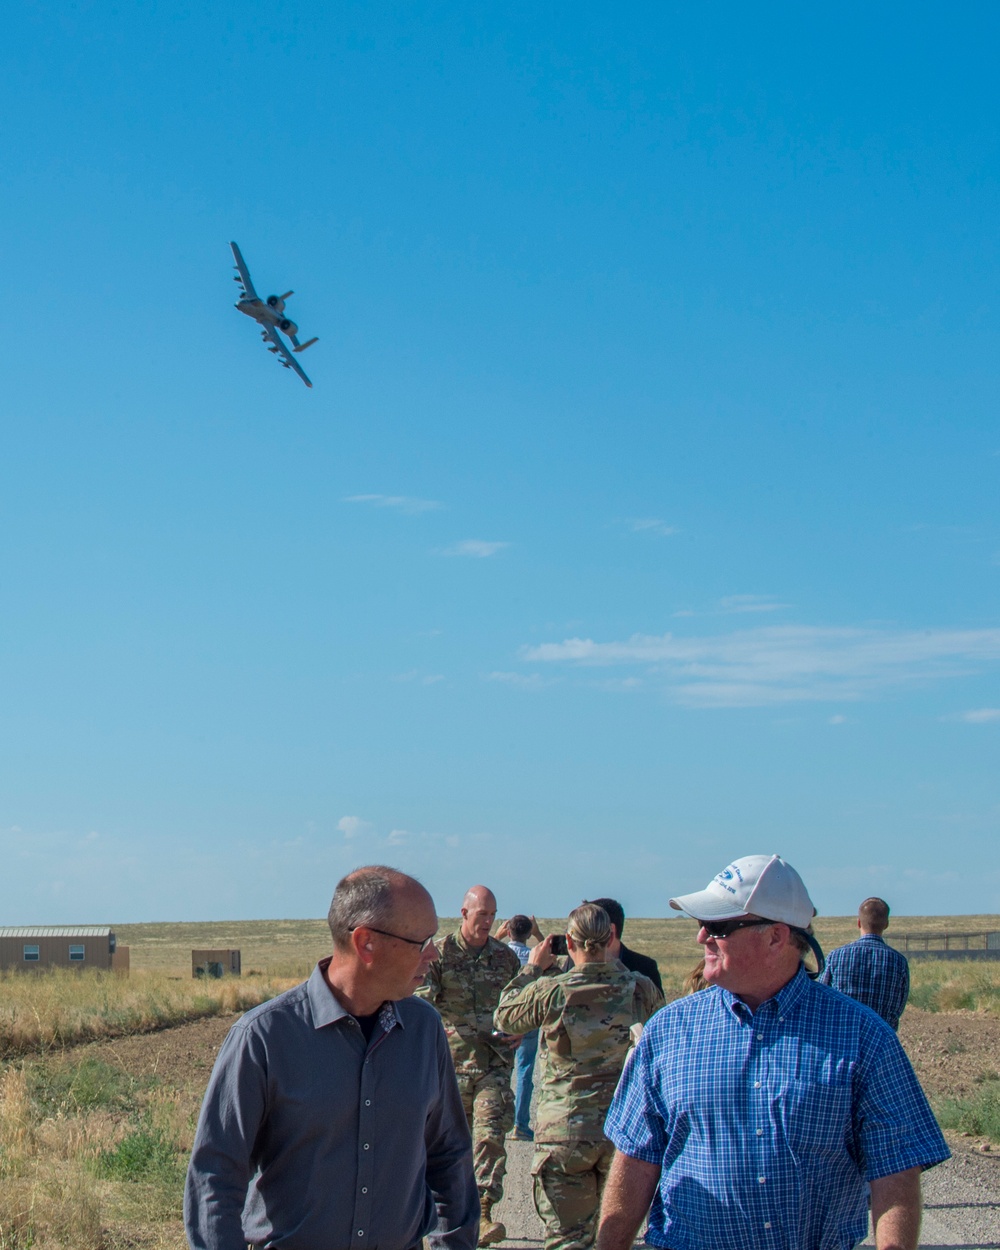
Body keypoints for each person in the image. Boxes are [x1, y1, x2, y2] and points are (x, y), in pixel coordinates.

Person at [597, 854, 950, 1250]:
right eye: (701, 925)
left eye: (718, 926)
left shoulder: (865, 1038)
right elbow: (636, 1161)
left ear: (776, 937)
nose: (701, 938)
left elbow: (896, 1171)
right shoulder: (669, 1032)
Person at [184, 865, 478, 1250]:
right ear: (365, 943)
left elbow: (449, 1157)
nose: (434, 955)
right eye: (421, 942)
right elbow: (215, 1176)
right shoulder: (265, 1038)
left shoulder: (424, 1031)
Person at [494, 904, 661, 1250]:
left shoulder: (554, 991)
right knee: (613, 1240)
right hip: (620, 1133)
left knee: (567, 1240)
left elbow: (505, 1016)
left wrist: (532, 969)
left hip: (565, 1133)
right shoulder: (639, 989)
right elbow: (664, 1036)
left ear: (569, 942)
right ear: (612, 936)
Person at [416, 885, 522, 1246]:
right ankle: (439, 1216)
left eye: (493, 915)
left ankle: (485, 1211)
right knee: (447, 1147)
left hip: (493, 1064)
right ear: (464, 914)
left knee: (490, 1136)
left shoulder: (505, 958)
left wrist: (521, 1030)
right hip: (451, 1066)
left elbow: (520, 1005)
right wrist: (434, 1026)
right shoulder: (440, 954)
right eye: (482, 915)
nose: (488, 921)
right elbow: (421, 999)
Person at [820, 896, 910, 1030]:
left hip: (841, 1036)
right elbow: (899, 1007)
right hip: (881, 1041)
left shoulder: (836, 957)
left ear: (858, 923)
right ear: (886, 924)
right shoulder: (899, 962)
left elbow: (822, 996)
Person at [499, 913, 541, 1141]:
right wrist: (538, 933)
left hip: (504, 1016)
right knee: (525, 1070)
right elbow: (557, 961)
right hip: (529, 1018)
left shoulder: (500, 953)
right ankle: (520, 1124)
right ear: (528, 933)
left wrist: (497, 933)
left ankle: (497, 1119)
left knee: (500, 1071)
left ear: (508, 931)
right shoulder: (533, 957)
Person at [586, 897, 663, 995]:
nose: (584, 933)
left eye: (588, 926)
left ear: (610, 931)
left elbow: (660, 1009)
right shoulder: (572, 964)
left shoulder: (645, 968)